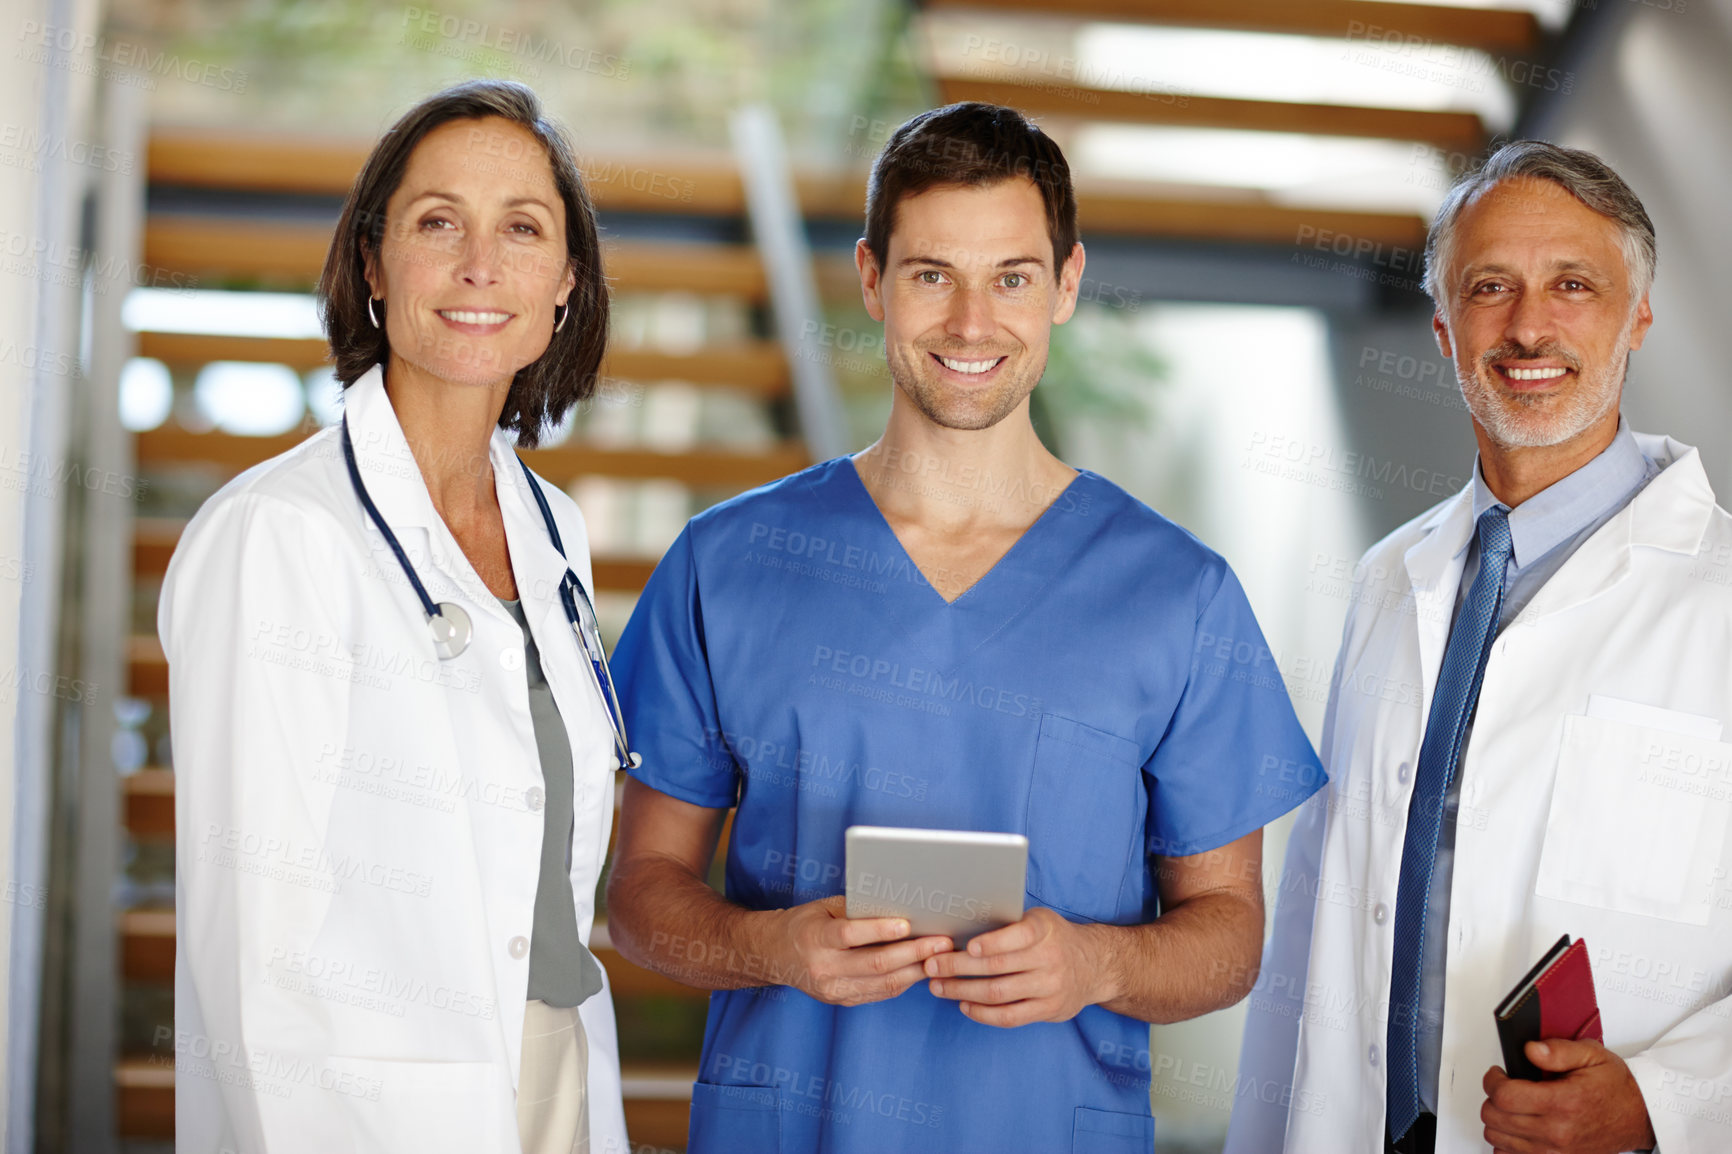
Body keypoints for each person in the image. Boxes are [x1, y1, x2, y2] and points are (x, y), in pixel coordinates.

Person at [602, 101, 1325, 1153]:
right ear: (871, 280)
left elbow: (1230, 935)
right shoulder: (730, 564)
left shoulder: (1177, 593)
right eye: (932, 273)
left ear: (1067, 283)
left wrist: (1099, 964)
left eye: (1012, 278)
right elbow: (639, 894)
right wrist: (769, 946)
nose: (970, 322)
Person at [1227, 140, 1732, 1154]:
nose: (1528, 324)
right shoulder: (1385, 579)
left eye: (1572, 285)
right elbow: (1321, 906)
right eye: (1488, 286)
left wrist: (1664, 1100)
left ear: (1636, 314)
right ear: (1444, 328)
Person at [160, 80, 629, 1154]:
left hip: (552, 1064)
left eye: (522, 227)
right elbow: (254, 949)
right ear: (373, 264)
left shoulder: (552, 528)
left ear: (565, 282)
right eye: (437, 223)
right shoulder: (279, 533)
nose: (480, 265)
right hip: (361, 1109)